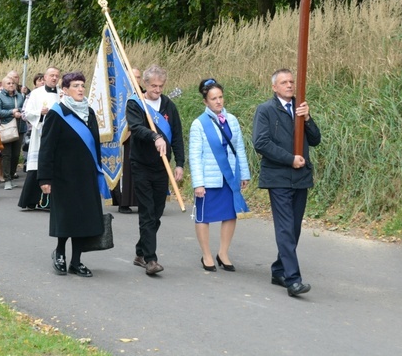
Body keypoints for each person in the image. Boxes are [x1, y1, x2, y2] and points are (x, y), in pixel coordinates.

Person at [252, 68, 321, 297]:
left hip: (301, 177)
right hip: (278, 176)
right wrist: (289, 159)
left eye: (291, 81)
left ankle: (279, 269)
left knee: (294, 228)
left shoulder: (300, 109)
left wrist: (308, 119)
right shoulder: (265, 110)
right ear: (274, 87)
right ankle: (293, 280)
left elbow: (315, 140)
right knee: (284, 228)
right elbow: (260, 143)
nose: (290, 85)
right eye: (284, 82)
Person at [38, 72, 107, 277]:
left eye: (82, 86)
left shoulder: (90, 113)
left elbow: (96, 145)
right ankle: (59, 253)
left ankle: (76, 261)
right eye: (75, 85)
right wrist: (45, 178)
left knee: (83, 219)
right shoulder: (57, 113)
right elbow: (47, 147)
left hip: (86, 175)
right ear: (65, 90)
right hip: (64, 176)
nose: (80, 89)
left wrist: (99, 171)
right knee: (66, 218)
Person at [126, 65, 185, 275]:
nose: (157, 90)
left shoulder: (169, 105)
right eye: (153, 86)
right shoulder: (136, 104)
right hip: (141, 165)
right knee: (147, 212)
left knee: (157, 213)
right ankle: (151, 260)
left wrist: (179, 164)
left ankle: (140, 252)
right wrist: (155, 136)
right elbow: (136, 128)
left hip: (163, 168)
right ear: (145, 84)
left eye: (161, 86)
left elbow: (177, 136)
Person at [189, 79, 251, 272]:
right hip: (209, 179)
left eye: (220, 97)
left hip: (229, 177)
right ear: (205, 102)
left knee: (230, 214)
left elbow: (239, 148)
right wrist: (198, 183)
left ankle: (223, 253)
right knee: (204, 217)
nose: (218, 101)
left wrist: (244, 174)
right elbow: (195, 156)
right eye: (213, 98)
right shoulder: (199, 124)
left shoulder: (232, 120)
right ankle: (206, 255)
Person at [19, 67, 61, 210]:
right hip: (40, 133)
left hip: (58, 135)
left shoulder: (62, 93)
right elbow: (25, 113)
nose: (54, 78)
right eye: (51, 75)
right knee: (38, 166)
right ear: (45, 77)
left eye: (57, 76)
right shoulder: (36, 93)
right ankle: (31, 200)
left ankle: (52, 201)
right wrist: (40, 113)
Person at [112, 68, 143, 214]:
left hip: (141, 136)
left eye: (138, 77)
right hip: (126, 136)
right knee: (126, 170)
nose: (135, 80)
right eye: (132, 77)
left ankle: (142, 200)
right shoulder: (120, 93)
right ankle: (124, 201)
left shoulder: (144, 95)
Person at [0, 75, 26, 190]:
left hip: (20, 127)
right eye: (8, 83)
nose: (11, 85)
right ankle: (7, 179)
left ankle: (12, 176)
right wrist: (11, 112)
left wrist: (22, 114)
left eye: (13, 83)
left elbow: (24, 108)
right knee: (6, 154)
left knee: (16, 155)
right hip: (6, 128)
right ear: (3, 85)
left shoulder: (20, 96)